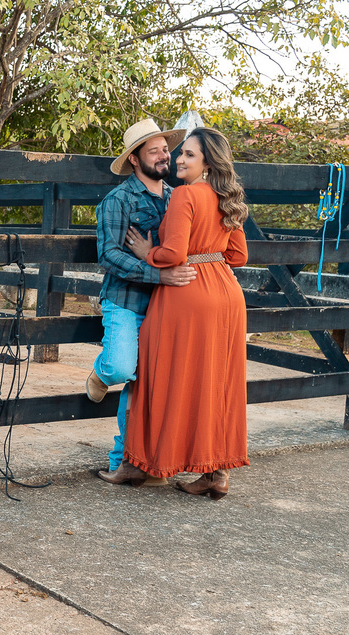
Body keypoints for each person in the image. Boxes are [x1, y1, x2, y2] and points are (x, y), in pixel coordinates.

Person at [110, 127, 250, 499]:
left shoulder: (186, 194)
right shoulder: (228, 197)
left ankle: (140, 464)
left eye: (189, 154)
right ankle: (216, 473)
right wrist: (210, 255)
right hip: (227, 295)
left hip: (187, 293)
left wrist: (147, 253)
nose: (179, 160)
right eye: (181, 153)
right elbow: (238, 256)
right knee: (216, 383)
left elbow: (173, 254)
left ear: (208, 163)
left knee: (158, 376)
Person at [90, 119, 198, 485]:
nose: (164, 156)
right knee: (122, 369)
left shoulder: (179, 197)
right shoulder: (118, 200)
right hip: (125, 301)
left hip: (166, 306)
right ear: (134, 159)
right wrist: (156, 272)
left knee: (144, 388)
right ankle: (101, 371)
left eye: (165, 149)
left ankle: (127, 462)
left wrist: (155, 259)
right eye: (154, 151)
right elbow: (108, 255)